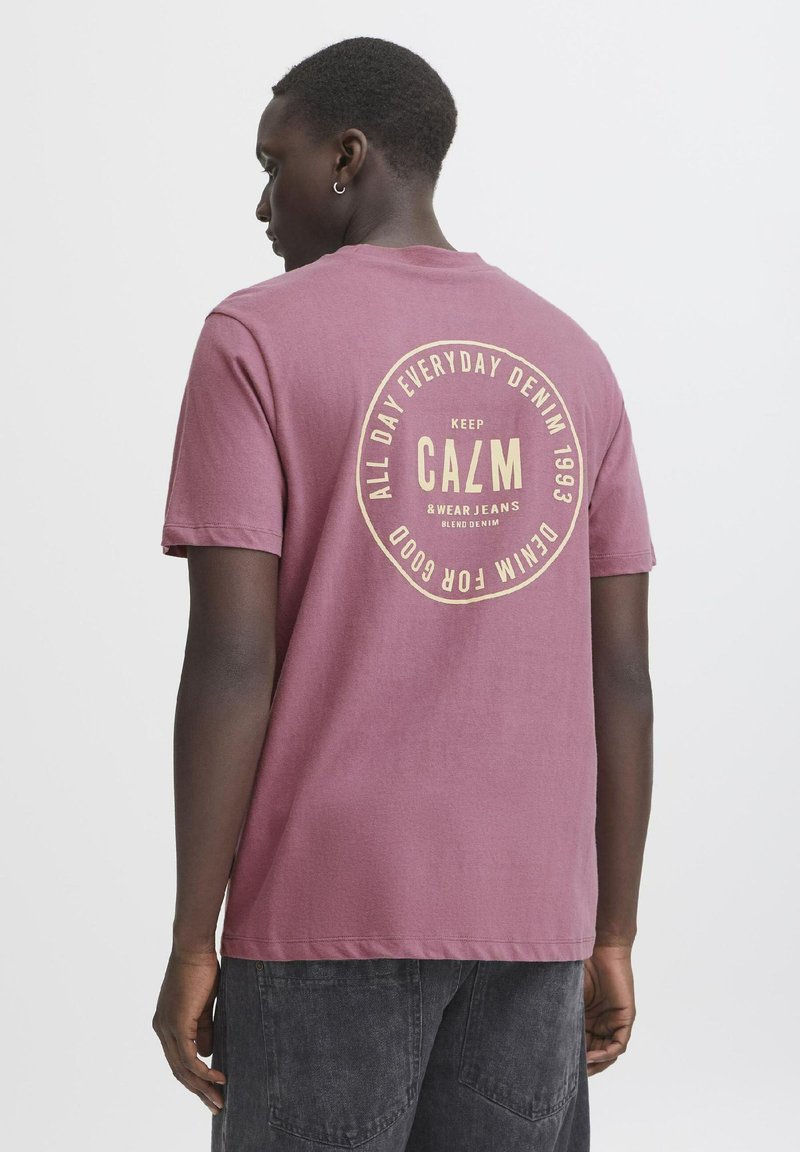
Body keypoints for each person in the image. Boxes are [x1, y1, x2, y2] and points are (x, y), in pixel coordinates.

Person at [151, 35, 656, 1152]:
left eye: (273, 163)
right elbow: (620, 674)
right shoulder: (570, 356)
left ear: (346, 157)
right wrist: (611, 930)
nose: (260, 203)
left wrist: (193, 940)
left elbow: (232, 662)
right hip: (533, 920)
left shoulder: (254, 341)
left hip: (324, 911)